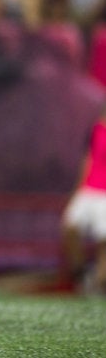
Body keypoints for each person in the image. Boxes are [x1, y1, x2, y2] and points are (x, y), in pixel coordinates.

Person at [61, 104, 106, 294]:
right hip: (88, 189)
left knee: (103, 241)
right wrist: (77, 189)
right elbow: (88, 159)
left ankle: (98, 285)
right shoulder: (96, 128)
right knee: (70, 226)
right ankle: (81, 275)